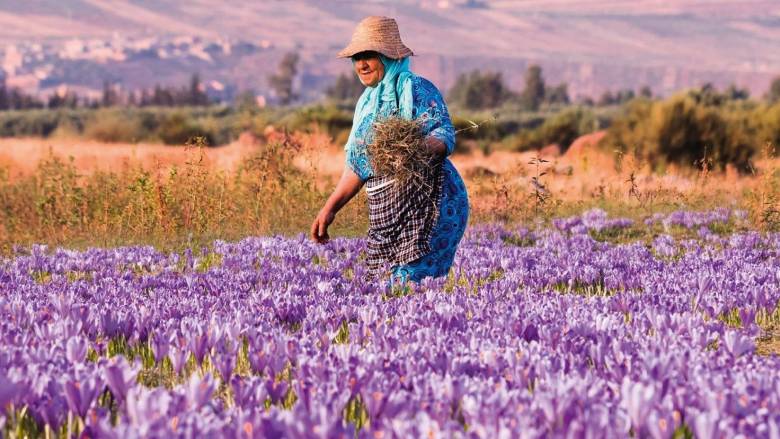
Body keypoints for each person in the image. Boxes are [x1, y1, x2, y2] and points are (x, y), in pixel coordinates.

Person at [310, 16, 469, 284]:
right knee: (386, 288)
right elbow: (360, 165)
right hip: (388, 213)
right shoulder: (367, 105)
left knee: (410, 286)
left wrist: (412, 149)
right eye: (357, 57)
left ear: (388, 56)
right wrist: (330, 208)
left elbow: (443, 135)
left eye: (369, 55)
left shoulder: (416, 89)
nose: (361, 64)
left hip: (431, 207)